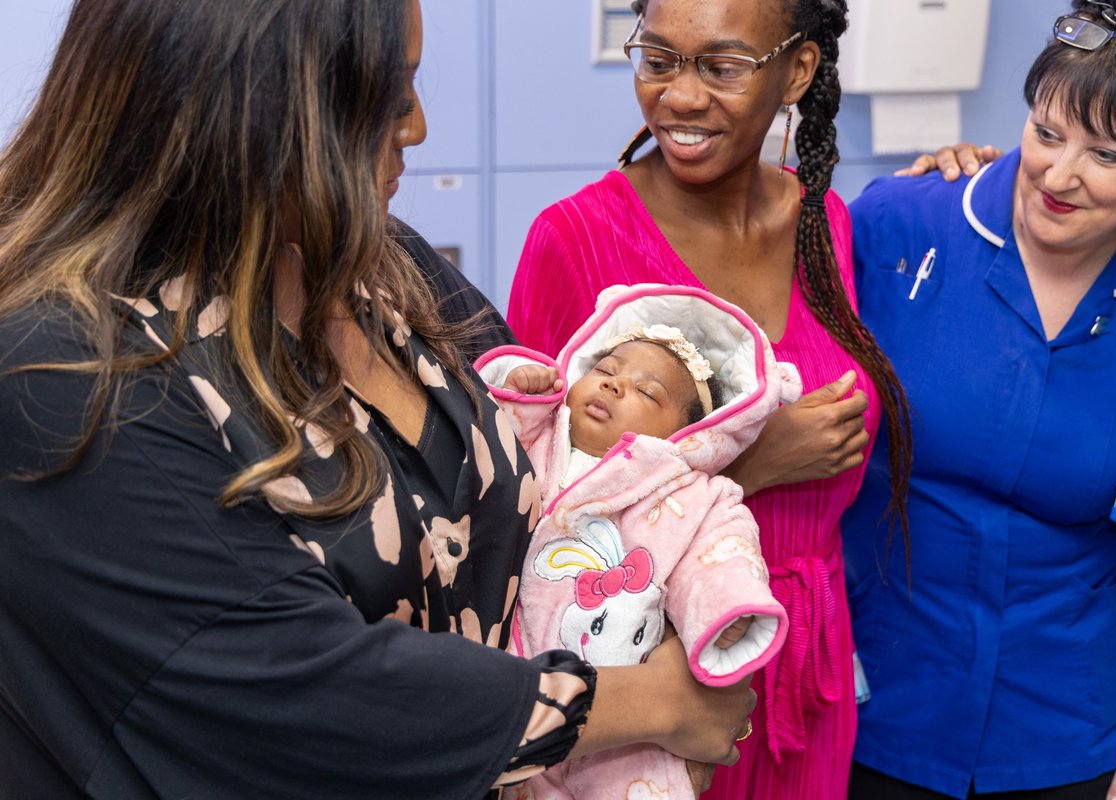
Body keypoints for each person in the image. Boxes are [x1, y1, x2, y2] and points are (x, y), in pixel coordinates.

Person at [0, 1, 759, 797]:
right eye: (391, 93)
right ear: (252, 103)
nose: (419, 126)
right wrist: (653, 704)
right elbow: (311, 695)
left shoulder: (379, 261)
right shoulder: (67, 370)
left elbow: (562, 461)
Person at [507, 0, 926, 796]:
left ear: (797, 70)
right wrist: (746, 469)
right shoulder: (576, 238)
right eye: (658, 60)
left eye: (722, 67)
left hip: (807, 662)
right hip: (649, 687)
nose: (680, 97)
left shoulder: (823, 221)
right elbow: (533, 505)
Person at [842, 0, 1116, 798]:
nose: (1060, 175)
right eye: (1046, 133)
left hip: (1069, 732)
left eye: (1108, 155)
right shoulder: (900, 226)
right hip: (878, 704)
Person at [480, 284, 797, 798]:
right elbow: (482, 441)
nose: (613, 386)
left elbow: (721, 556)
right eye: (604, 371)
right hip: (511, 681)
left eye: (647, 392)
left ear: (692, 432)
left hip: (623, 713)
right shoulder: (538, 438)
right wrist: (521, 389)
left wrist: (728, 608)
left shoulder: (692, 494)